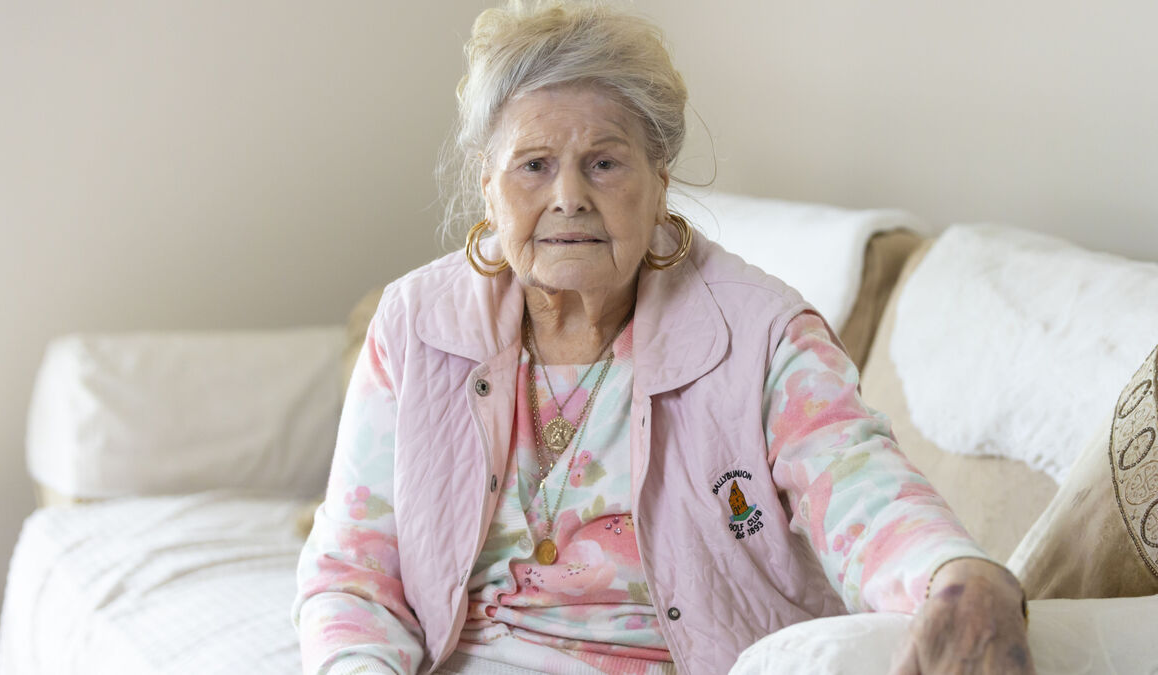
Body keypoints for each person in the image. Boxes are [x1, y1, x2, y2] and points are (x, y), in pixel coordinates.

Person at [294, 1, 1033, 673]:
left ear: (659, 181)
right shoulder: (415, 324)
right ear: (488, 184)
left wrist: (954, 572)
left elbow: (858, 485)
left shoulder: (762, 336)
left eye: (604, 163)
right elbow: (352, 572)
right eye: (534, 165)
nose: (569, 196)